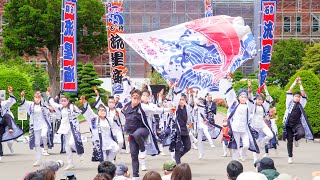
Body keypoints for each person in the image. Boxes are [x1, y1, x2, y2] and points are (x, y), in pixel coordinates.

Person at [121, 89, 171, 179]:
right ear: (131, 97)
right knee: (133, 155)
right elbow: (120, 114)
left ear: (140, 99)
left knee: (137, 134)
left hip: (143, 130)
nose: (135, 99)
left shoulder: (143, 107)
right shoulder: (126, 106)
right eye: (134, 97)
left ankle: (143, 149)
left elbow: (156, 109)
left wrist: (168, 109)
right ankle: (136, 176)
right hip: (132, 134)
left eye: (137, 97)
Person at [46, 91, 84, 170]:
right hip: (65, 128)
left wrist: (75, 109)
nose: (63, 102)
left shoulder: (72, 106)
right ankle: (70, 163)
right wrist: (49, 96)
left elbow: (79, 113)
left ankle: (80, 153)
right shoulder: (61, 107)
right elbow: (53, 104)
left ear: (68, 101)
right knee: (67, 146)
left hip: (73, 127)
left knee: (72, 143)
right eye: (62, 101)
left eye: (64, 101)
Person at [225, 78, 259, 161]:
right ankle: (235, 160)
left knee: (246, 145)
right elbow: (231, 93)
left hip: (244, 129)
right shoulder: (234, 104)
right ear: (238, 97)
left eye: (245, 97)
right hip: (236, 128)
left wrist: (250, 91)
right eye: (242, 96)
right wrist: (229, 81)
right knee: (236, 145)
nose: (243, 98)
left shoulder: (248, 105)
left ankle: (243, 154)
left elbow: (251, 100)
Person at [282, 77, 313, 164]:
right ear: (293, 97)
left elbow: (303, 94)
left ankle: (297, 138)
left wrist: (300, 84)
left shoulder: (301, 103)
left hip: (297, 123)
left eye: (299, 97)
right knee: (289, 141)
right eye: (296, 96)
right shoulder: (289, 101)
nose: (297, 98)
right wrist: (294, 82)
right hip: (288, 124)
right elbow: (289, 91)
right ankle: (290, 156)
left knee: (301, 133)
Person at [81, 96, 120, 162]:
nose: (103, 112)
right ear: (98, 112)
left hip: (109, 140)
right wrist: (85, 103)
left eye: (104, 110)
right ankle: (104, 167)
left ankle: (109, 161)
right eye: (101, 110)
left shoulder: (108, 119)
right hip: (99, 141)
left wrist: (116, 115)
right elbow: (89, 111)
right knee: (103, 158)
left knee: (116, 148)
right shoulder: (94, 119)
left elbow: (115, 120)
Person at [21, 90, 54, 166]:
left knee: (43, 135)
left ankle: (45, 146)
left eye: (38, 97)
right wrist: (22, 96)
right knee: (37, 143)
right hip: (35, 125)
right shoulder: (31, 105)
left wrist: (51, 109)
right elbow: (24, 103)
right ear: (33, 98)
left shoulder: (43, 104)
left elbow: (50, 107)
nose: (37, 99)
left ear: (40, 98)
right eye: (35, 97)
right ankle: (38, 159)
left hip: (44, 124)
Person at [249, 85, 274, 163]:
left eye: (261, 100)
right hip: (254, 126)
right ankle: (255, 158)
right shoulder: (253, 106)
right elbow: (250, 98)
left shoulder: (264, 106)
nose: (260, 101)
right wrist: (249, 90)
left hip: (262, 125)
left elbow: (268, 98)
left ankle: (263, 142)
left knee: (271, 135)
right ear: (256, 100)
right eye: (258, 100)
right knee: (254, 143)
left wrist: (266, 89)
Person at [169, 93, 192, 164]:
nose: (181, 101)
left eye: (183, 99)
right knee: (178, 148)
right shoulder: (176, 108)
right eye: (180, 99)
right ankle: (178, 162)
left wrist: (190, 124)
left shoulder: (186, 108)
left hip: (185, 130)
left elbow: (189, 118)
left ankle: (177, 157)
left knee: (188, 146)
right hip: (177, 131)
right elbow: (175, 100)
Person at [0, 86, 21, 157]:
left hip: (7, 123)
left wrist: (10, 93)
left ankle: (10, 147)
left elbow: (12, 100)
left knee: (9, 141)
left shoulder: (5, 103)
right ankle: (1, 153)